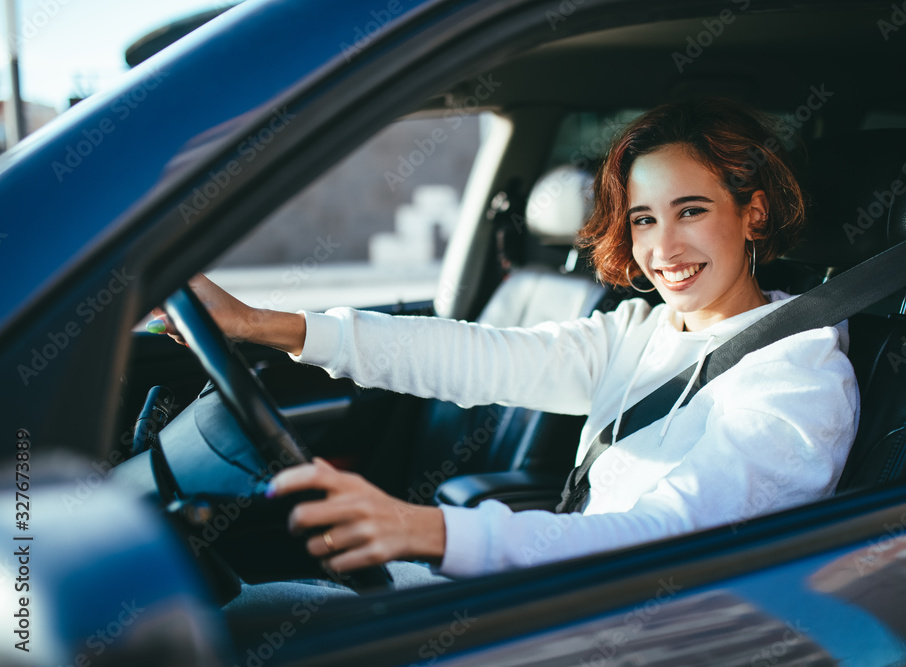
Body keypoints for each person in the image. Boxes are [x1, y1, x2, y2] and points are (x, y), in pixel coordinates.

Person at [151, 97, 859, 587]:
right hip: (576, 592)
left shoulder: (798, 376)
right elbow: (473, 355)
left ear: (753, 212)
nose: (662, 247)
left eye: (692, 211)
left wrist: (429, 530)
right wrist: (262, 325)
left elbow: (672, 537)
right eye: (643, 219)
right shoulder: (642, 331)